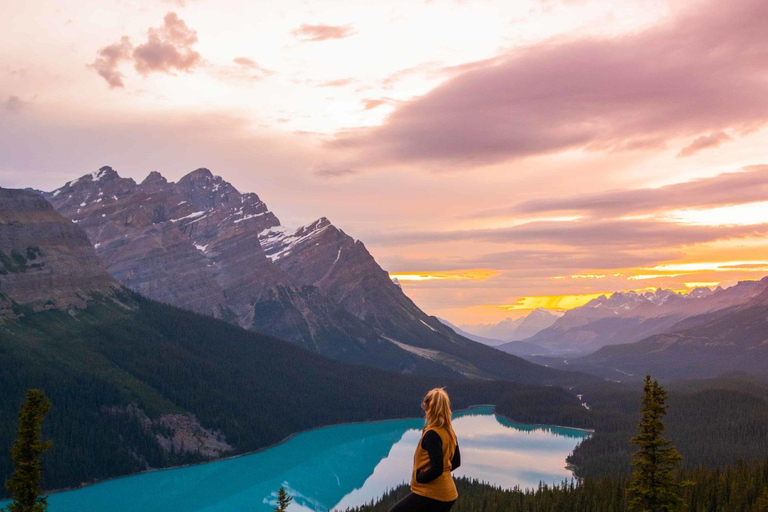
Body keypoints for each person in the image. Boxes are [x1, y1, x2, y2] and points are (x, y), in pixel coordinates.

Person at [389, 388, 461, 512]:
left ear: (429, 407)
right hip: (448, 493)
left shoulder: (432, 434)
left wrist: (419, 478)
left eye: (424, 405)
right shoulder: (449, 432)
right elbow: (456, 462)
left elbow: (437, 469)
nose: (424, 408)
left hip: (434, 493)